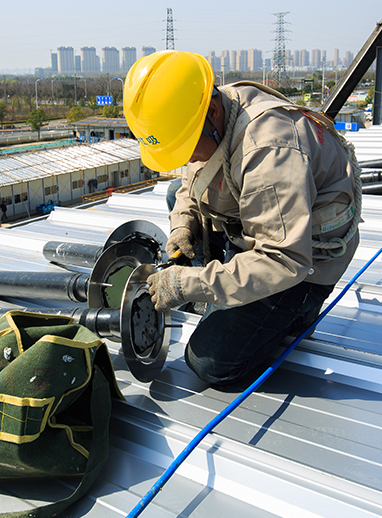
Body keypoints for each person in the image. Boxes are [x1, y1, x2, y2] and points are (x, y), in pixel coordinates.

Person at [123, 51, 361, 386]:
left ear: (213, 112)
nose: (186, 158)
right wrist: (181, 226)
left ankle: (296, 314)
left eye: (187, 147)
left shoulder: (269, 151)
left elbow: (284, 259)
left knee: (209, 361)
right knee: (176, 191)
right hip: (264, 226)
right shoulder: (210, 106)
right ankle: (224, 288)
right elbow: (191, 181)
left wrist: (186, 284)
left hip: (303, 263)